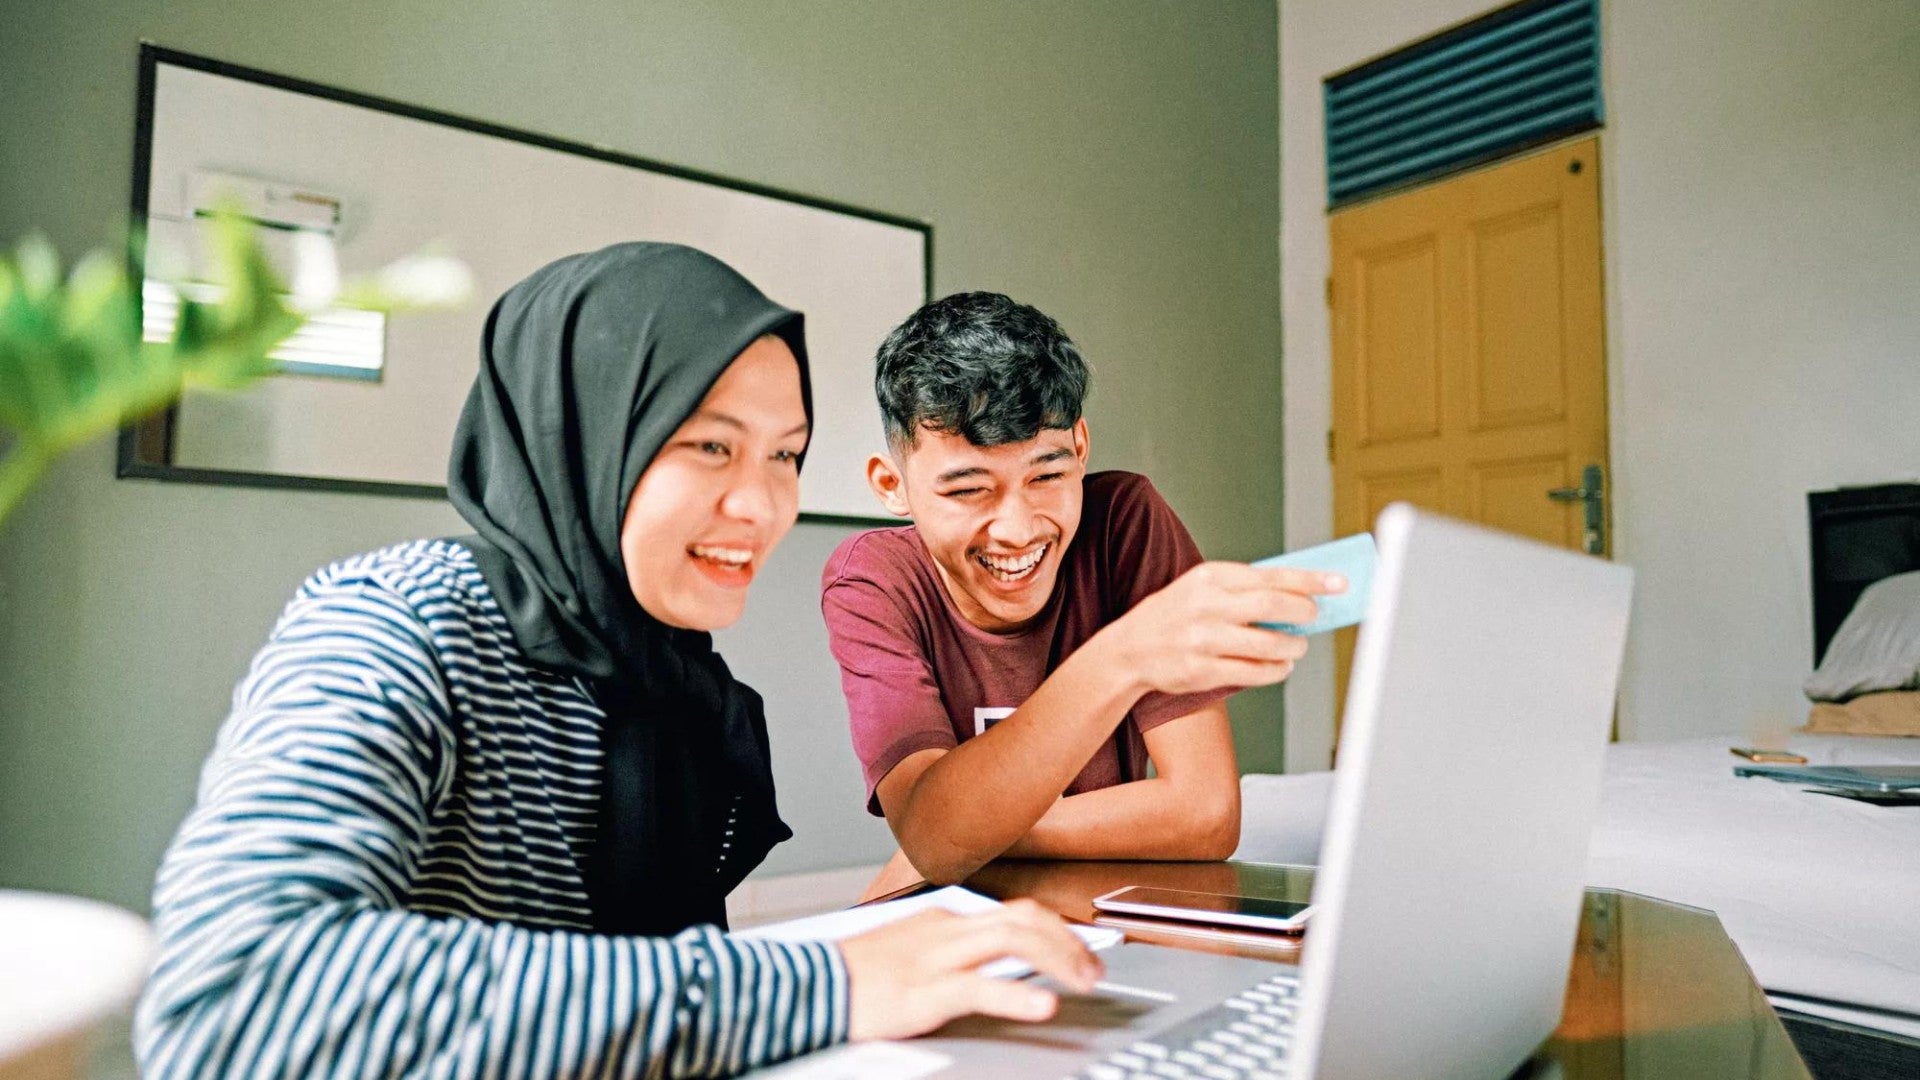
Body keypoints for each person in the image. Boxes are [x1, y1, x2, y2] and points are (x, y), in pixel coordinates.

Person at [134, 245, 1099, 1079]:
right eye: (710, 447)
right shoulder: (396, 623)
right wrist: (827, 983)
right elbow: (231, 995)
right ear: (589, 434)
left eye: (784, 456)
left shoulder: (671, 679)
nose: (761, 507)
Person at [821, 292, 1344, 892]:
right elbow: (934, 840)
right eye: (968, 490)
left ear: (1081, 448)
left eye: (1047, 476)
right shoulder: (872, 579)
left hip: (1109, 903)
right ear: (893, 486)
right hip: (964, 911)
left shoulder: (1126, 522)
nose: (1018, 530)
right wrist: (1123, 656)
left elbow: (1206, 815)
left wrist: (958, 835)